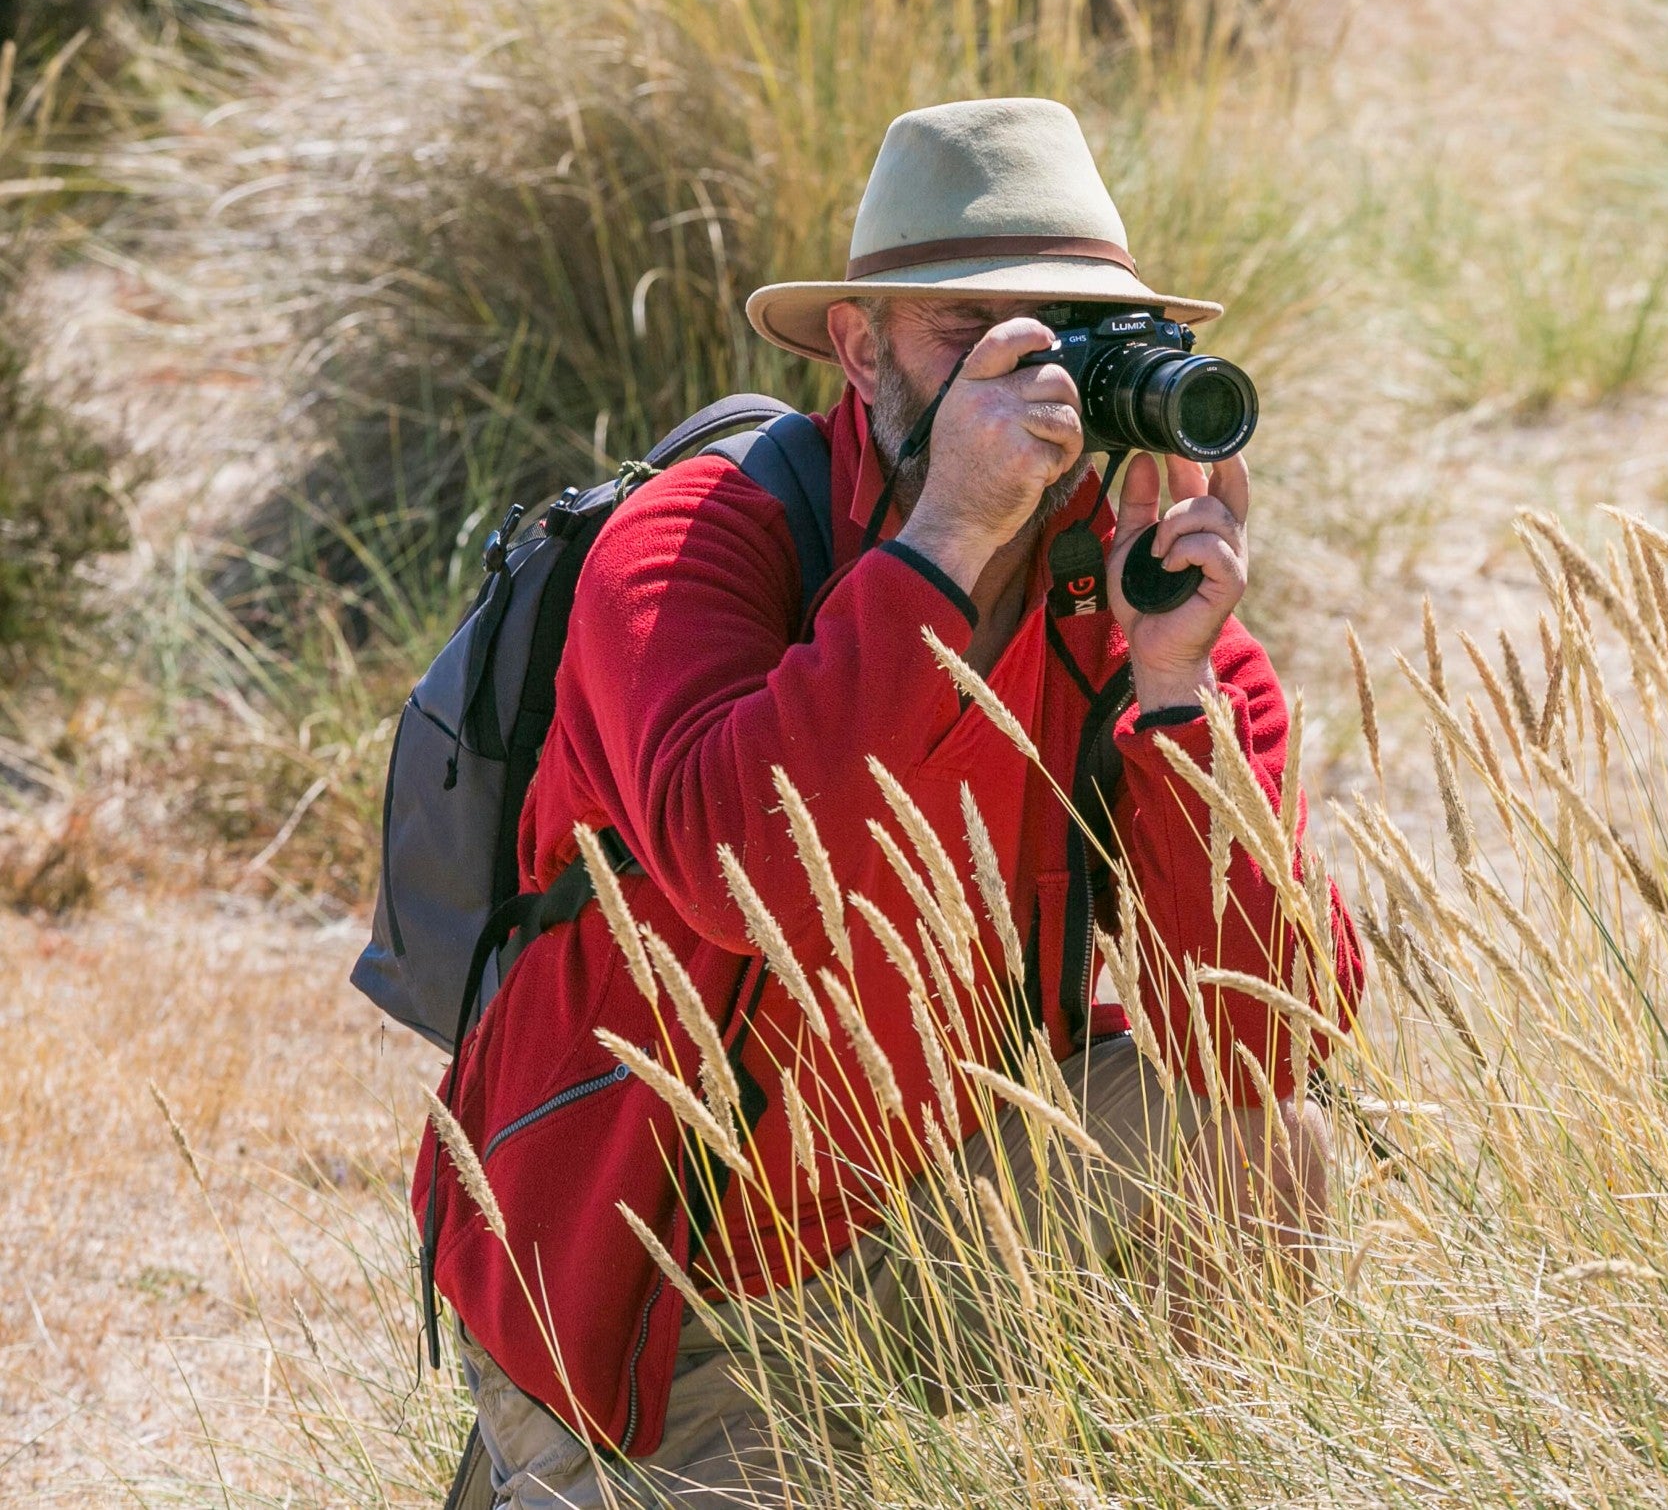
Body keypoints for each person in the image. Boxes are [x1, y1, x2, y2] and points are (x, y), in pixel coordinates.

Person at [417, 98, 1364, 1507]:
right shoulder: (695, 543)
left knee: (1255, 1144)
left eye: (1062, 338)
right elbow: (751, 883)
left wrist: (1174, 694)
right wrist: (948, 539)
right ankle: (544, 1462)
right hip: (654, 1294)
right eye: (967, 335)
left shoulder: (1130, 600)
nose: (1024, 380)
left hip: (915, 1223)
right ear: (861, 351)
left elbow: (1265, 1029)